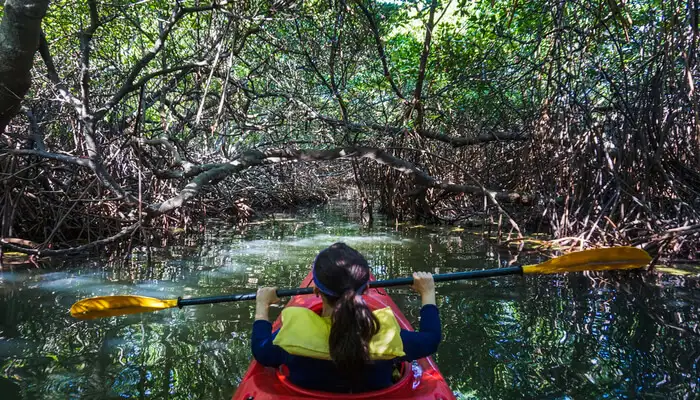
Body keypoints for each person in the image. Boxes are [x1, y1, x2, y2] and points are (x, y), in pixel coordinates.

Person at [251, 242, 441, 393]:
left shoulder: (288, 337)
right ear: (367, 289)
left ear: (316, 290)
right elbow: (431, 339)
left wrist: (262, 305)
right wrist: (428, 292)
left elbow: (261, 351)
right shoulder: (392, 338)